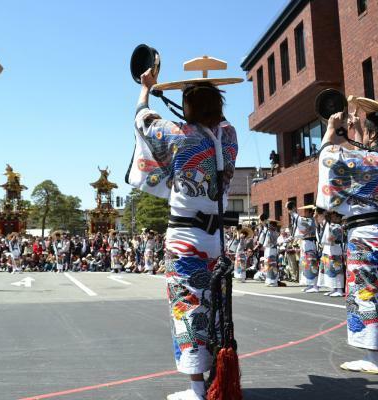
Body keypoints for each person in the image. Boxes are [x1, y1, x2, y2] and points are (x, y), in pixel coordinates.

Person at [127, 63, 239, 400]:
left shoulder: (178, 135)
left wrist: (147, 88)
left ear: (188, 105)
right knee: (215, 308)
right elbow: (210, 124)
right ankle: (216, 377)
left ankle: (195, 388)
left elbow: (142, 118)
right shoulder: (229, 135)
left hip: (186, 238)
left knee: (188, 307)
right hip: (216, 239)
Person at [316, 99, 378, 373]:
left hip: (366, 236)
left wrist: (330, 130)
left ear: (372, 134)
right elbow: (361, 153)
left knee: (367, 292)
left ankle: (374, 357)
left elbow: (329, 160)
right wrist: (354, 131)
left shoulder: (368, 160)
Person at [317, 211, 345, 297]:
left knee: (336, 268)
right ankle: (333, 288)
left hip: (335, 248)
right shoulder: (329, 225)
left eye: (334, 216)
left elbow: (331, 238)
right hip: (329, 248)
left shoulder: (337, 226)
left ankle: (339, 289)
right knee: (329, 268)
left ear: (338, 218)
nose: (331, 218)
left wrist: (327, 238)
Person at [296, 205, 319, 293]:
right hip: (305, 242)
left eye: (306, 211)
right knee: (306, 264)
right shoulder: (308, 220)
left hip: (310, 242)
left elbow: (307, 231)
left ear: (310, 212)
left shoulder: (312, 220)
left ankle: (315, 285)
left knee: (311, 263)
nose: (304, 213)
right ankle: (309, 284)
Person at [262, 220, 280, 287]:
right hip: (268, 249)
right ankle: (269, 280)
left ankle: (273, 281)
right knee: (267, 264)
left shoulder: (274, 233)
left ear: (273, 226)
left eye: (270, 225)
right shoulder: (269, 232)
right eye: (269, 225)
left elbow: (270, 241)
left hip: (271, 249)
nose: (269, 226)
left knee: (271, 264)